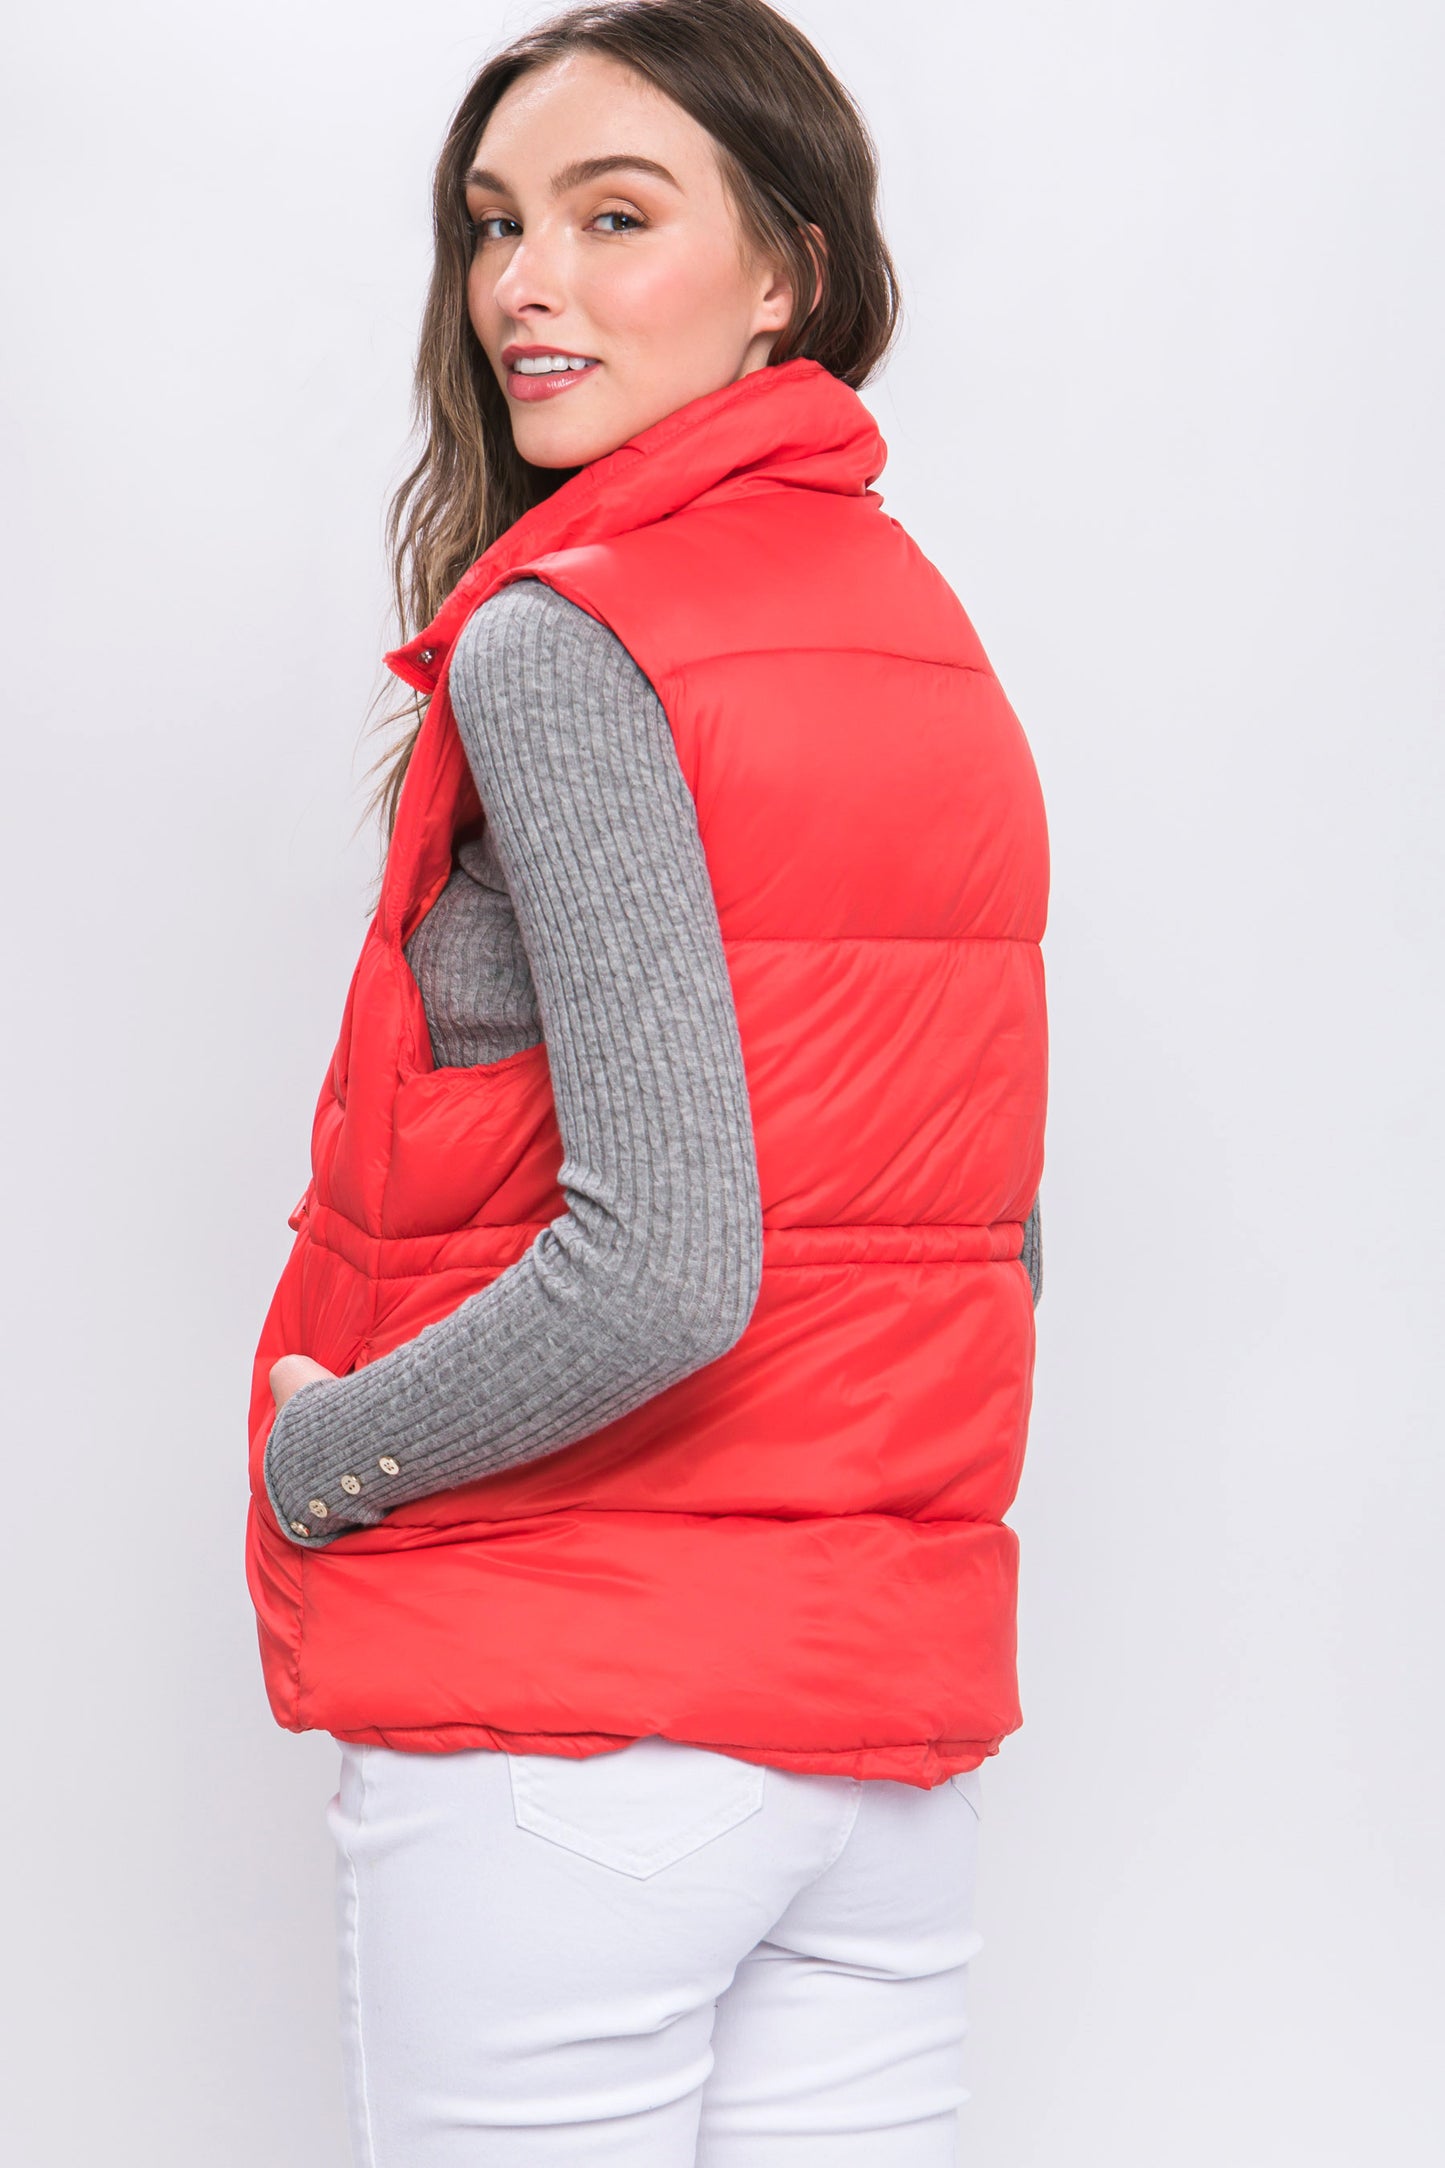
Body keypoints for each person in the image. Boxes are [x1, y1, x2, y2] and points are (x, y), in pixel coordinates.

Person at [243, 2, 1049, 2160]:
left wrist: (325, 1456)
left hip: (569, 1738)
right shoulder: (920, 633)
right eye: (495, 222)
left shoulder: (565, 637)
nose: (527, 284)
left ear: (788, 270)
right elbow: (986, 1229)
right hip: (872, 1756)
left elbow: (669, 1265)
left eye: (616, 218)